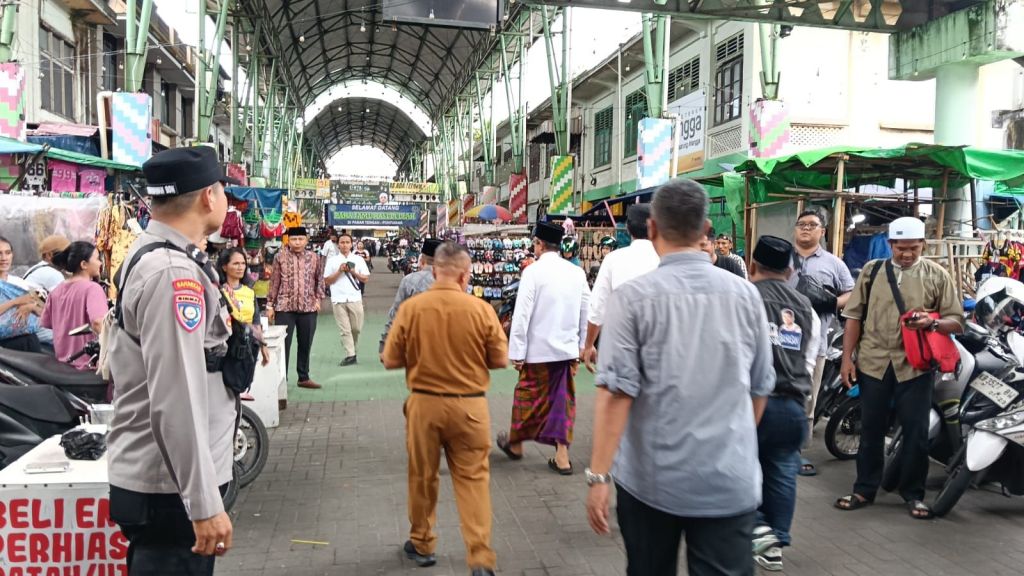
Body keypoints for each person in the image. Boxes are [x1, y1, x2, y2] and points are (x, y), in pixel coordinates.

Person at [586, 179, 774, 576]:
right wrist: (730, 443)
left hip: (652, 483)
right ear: (706, 230)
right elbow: (760, 389)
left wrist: (599, 476)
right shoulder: (746, 296)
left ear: (652, 227)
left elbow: (617, 395)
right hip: (728, 480)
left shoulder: (632, 299)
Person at [106, 146, 239, 574]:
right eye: (223, 191)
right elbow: (176, 397)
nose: (226, 200)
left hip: (168, 482)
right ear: (208, 197)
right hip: (170, 489)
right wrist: (202, 503)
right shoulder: (172, 274)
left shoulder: (160, 254)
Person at [383, 242, 508, 576]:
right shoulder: (481, 310)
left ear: (433, 270)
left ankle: (423, 542)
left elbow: (390, 359)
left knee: (422, 476)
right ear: (466, 275)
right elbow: (500, 359)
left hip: (424, 404)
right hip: (470, 407)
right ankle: (480, 557)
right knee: (473, 481)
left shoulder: (412, 309)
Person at [835, 216, 963, 520]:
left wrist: (931, 323)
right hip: (873, 362)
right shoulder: (872, 271)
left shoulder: (937, 275)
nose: (906, 253)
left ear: (923, 245)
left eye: (913, 248)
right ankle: (864, 489)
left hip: (915, 366)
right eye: (900, 247)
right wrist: (846, 359)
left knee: (916, 432)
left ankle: (913, 494)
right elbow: (854, 317)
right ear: (890, 244)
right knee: (871, 429)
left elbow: (957, 321)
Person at [749, 236, 820, 571]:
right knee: (782, 471)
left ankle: (757, 528)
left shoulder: (744, 297)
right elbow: (810, 360)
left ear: (751, 266)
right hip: (793, 404)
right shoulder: (806, 308)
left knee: (741, 467)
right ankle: (774, 542)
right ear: (790, 271)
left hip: (751, 404)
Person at [497, 222, 590, 475]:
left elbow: (521, 315)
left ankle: (516, 445)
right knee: (562, 402)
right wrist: (582, 346)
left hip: (537, 352)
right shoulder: (577, 273)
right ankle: (562, 457)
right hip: (566, 351)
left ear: (539, 244)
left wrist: (517, 353)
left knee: (526, 398)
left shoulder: (533, 272)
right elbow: (586, 311)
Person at [789, 209, 855, 476]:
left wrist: (832, 302)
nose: (805, 228)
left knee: (807, 399)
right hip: (777, 341)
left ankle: (796, 452)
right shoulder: (783, 258)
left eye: (812, 225)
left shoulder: (834, 264)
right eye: (801, 224)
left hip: (814, 346)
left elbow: (851, 293)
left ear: (822, 231)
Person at [582, 204, 659, 373]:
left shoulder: (613, 259)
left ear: (628, 228)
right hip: (659, 353)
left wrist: (588, 345)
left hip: (621, 351)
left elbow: (597, 308)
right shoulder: (665, 259)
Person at [267, 226, 325, 389]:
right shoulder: (280, 257)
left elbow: (319, 279)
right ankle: (281, 380)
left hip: (308, 307)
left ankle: (303, 377)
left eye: (300, 239)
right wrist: (270, 305)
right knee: (283, 345)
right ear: (288, 240)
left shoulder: (314, 258)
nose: (297, 242)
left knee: (305, 343)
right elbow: (274, 282)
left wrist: (318, 299)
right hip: (285, 308)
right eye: (294, 239)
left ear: (306, 240)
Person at [40, 241, 108, 370]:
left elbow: (47, 323)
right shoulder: (93, 289)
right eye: (97, 259)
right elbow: (98, 323)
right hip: (87, 366)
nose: (100, 263)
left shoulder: (56, 290)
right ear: (84, 264)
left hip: (63, 365)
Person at [379, 238, 442, 359]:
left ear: (422, 260)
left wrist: (385, 344)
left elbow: (396, 314)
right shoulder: (455, 280)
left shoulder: (410, 280)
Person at [217, 247, 271, 368]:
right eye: (236, 263)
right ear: (224, 267)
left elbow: (256, 321)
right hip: (225, 348)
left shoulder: (249, 292)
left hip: (248, 348)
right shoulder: (218, 291)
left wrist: (263, 345)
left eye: (243, 263)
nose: (240, 267)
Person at [324, 233, 370, 367]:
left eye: (347, 242)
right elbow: (327, 280)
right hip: (338, 299)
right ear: (338, 245)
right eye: (342, 242)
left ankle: (352, 348)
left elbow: (365, 278)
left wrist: (353, 272)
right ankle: (350, 354)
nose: (344, 245)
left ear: (351, 244)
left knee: (356, 328)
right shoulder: (332, 261)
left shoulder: (358, 259)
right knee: (345, 329)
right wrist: (339, 271)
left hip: (354, 298)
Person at [0, 236, 43, 352]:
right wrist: (16, 301)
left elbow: (44, 310)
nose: (4, 258)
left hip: (29, 341)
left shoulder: (20, 283)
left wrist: (31, 307)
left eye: (7, 253)